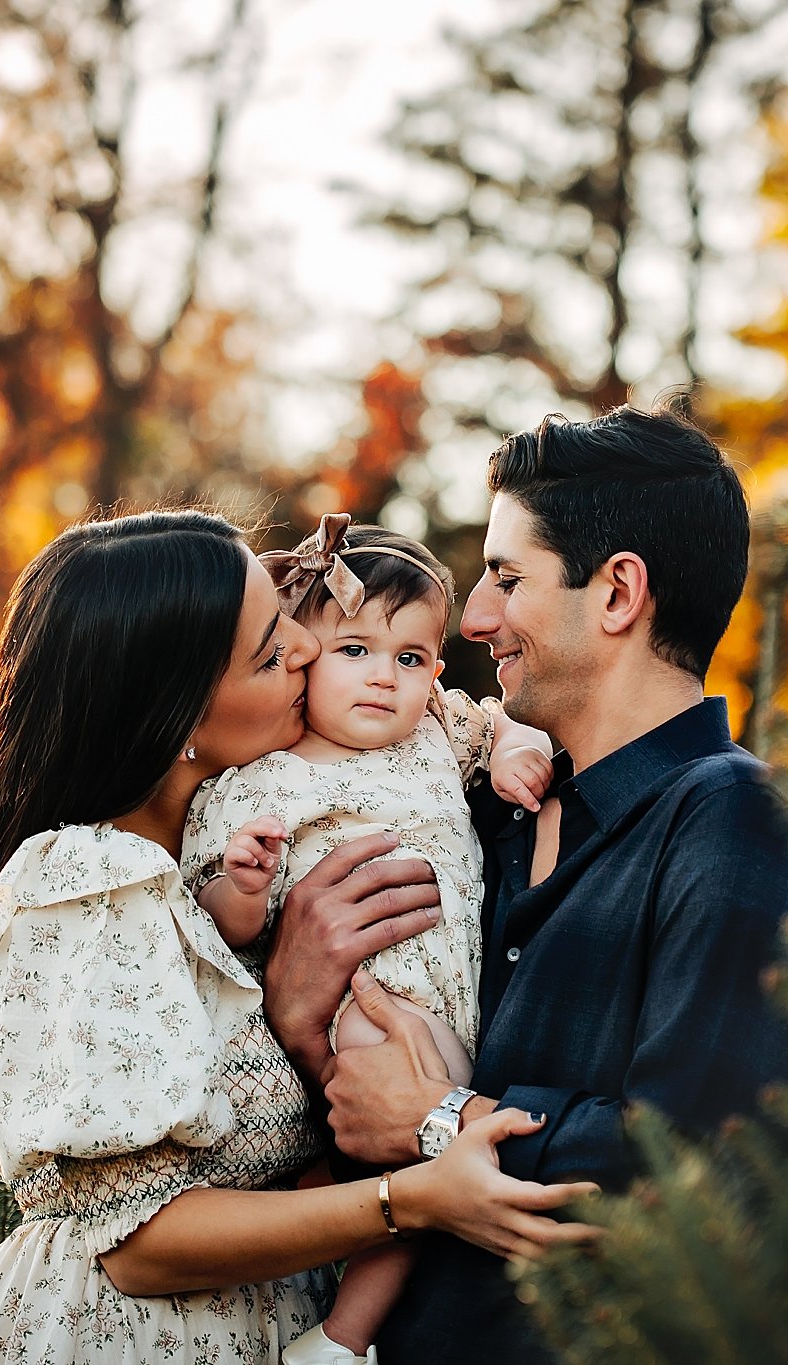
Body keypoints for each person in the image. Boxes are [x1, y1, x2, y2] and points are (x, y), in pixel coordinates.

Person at [0, 509, 598, 1365]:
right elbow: (140, 1243)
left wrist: (300, 1010)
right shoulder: (84, 885)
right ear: (180, 713)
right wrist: (411, 1199)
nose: (310, 651)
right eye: (273, 650)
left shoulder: (232, 862)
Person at [261, 407, 788, 1364]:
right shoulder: (482, 808)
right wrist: (294, 999)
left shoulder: (733, 820)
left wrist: (439, 1120)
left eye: (507, 577)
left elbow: (713, 1170)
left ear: (617, 593)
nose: (474, 618)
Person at [182, 516, 555, 1364]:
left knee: (371, 1162)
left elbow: (514, 724)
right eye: (354, 650)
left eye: (412, 658)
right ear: (301, 660)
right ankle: (345, 1339)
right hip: (365, 1003)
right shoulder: (263, 781)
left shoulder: (437, 735)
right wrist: (242, 883)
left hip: (455, 998)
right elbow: (219, 917)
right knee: (415, 1158)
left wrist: (513, 757)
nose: (385, 679)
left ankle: (334, 1301)